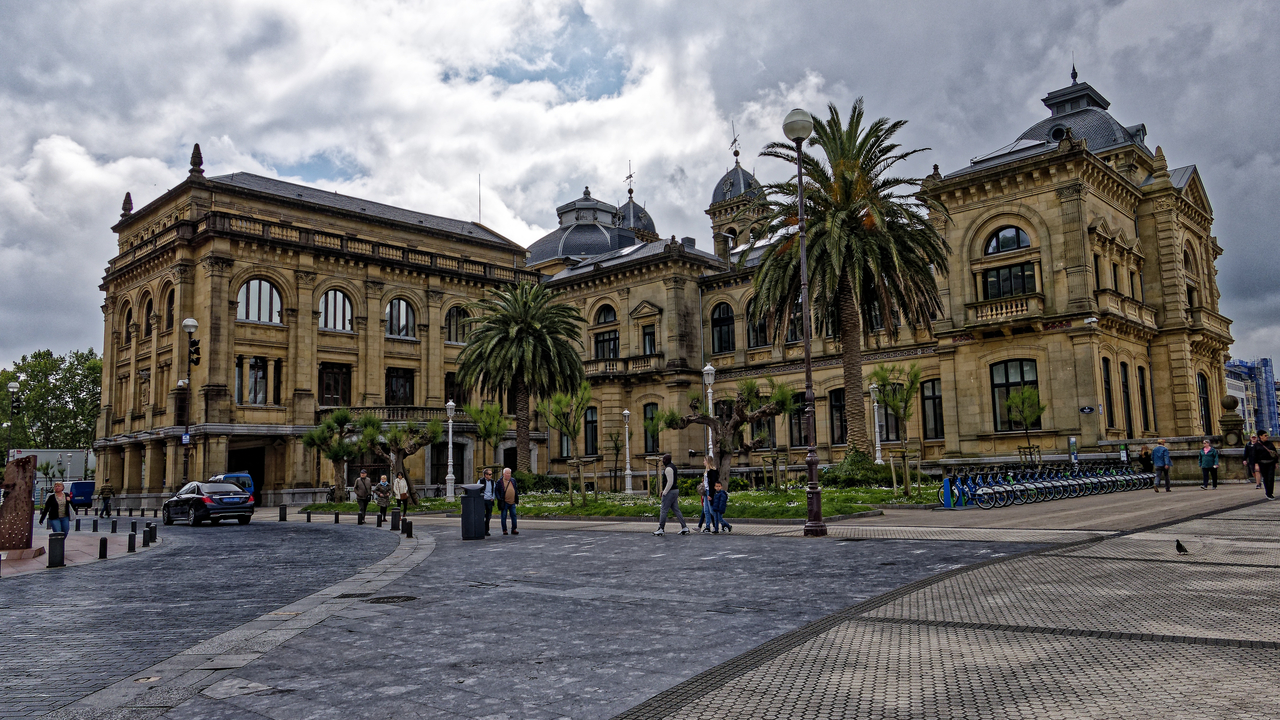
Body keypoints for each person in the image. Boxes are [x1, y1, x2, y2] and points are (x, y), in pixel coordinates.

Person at [652, 453, 690, 536]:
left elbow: (670, 482)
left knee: (663, 510)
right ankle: (684, 527)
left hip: (670, 491)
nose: (662, 462)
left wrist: (664, 492)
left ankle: (661, 528)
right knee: (676, 509)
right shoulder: (673, 467)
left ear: (666, 460)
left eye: (663, 460)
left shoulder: (668, 469)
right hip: (675, 490)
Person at [698, 456, 718, 533]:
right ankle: (707, 526)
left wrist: (711, 494)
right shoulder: (706, 471)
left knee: (711, 510)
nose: (703, 462)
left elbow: (713, 483)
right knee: (706, 510)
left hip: (709, 491)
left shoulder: (712, 471)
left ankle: (716, 525)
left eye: (704, 461)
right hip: (706, 491)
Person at [496, 467, 518, 535]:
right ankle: (504, 530)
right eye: (507, 473)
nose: (508, 475)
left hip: (512, 502)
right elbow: (496, 490)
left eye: (509, 473)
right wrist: (499, 498)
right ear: (503, 474)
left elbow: (515, 489)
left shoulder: (513, 480)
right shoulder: (500, 482)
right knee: (504, 516)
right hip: (504, 502)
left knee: (514, 515)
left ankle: (514, 529)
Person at [1256, 431, 1278, 499]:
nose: (1267, 437)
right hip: (1262, 463)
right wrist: (1256, 464)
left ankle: (1270, 493)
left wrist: (1276, 462)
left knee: (1271, 478)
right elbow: (1254, 455)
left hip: (1271, 463)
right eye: (1265, 435)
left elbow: (1275, 453)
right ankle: (1268, 492)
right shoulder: (1257, 445)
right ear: (1260, 436)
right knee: (1266, 478)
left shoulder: (1270, 444)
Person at [479, 467, 496, 536]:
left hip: (489, 500)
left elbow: (494, 490)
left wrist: (493, 497)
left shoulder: (492, 482)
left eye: (491, 474)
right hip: (483, 500)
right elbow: (478, 489)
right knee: (482, 515)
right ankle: (482, 529)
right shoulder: (481, 481)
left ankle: (487, 530)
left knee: (488, 516)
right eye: (489, 474)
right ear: (485, 475)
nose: (490, 476)